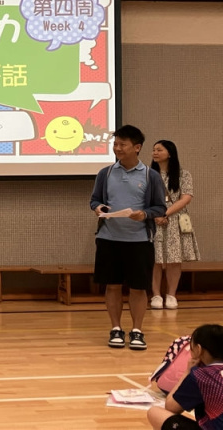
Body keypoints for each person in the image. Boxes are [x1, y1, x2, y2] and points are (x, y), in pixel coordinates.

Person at [90, 125, 166, 351]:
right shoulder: (105, 173)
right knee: (112, 286)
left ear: (137, 147)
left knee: (138, 288)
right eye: (115, 144)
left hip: (139, 241)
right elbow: (95, 200)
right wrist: (98, 208)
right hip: (109, 238)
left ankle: (137, 331)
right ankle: (115, 328)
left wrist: (144, 214)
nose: (117, 148)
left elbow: (159, 207)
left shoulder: (150, 176)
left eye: (123, 144)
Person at [150, 140, 200, 310]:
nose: (155, 153)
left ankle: (171, 295)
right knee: (155, 259)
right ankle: (156, 295)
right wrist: (156, 214)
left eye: (159, 150)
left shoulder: (183, 174)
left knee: (174, 259)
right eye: (154, 150)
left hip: (175, 219)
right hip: (154, 219)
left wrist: (166, 213)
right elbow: (142, 197)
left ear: (170, 153)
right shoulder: (148, 174)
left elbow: (186, 198)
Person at [146, 323, 223, 430]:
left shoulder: (200, 376)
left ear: (198, 349)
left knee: (155, 412)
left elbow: (171, 407)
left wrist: (187, 372)